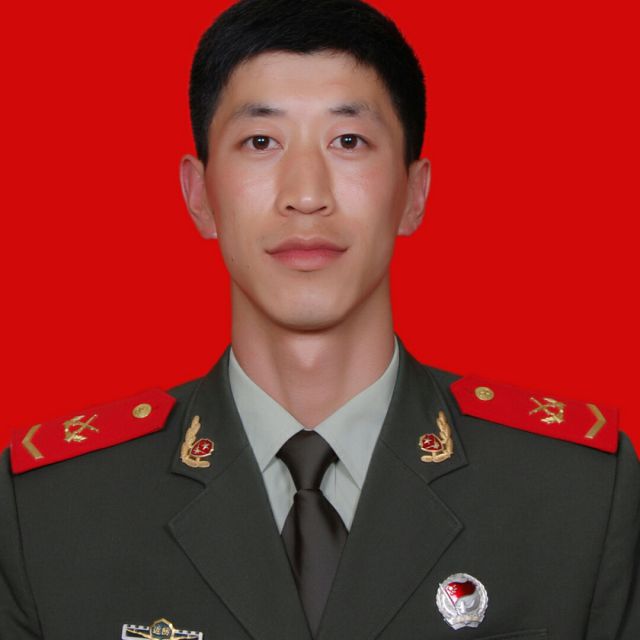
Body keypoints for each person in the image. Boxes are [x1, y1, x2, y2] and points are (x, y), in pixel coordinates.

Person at [1, 0, 638, 638]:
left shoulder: (577, 495)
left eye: (348, 141)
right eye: (260, 142)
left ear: (414, 193)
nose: (306, 195)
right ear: (199, 196)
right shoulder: (51, 511)